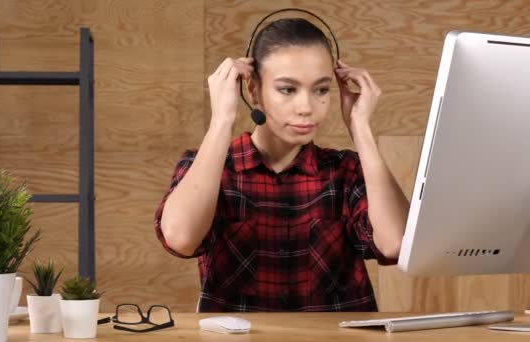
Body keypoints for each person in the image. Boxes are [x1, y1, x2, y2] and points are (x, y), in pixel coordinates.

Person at [154, 16, 409, 312]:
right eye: (288, 89)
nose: (306, 108)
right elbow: (180, 238)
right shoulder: (213, 168)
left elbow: (397, 243)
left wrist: (360, 128)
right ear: (252, 89)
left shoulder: (345, 170)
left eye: (321, 90)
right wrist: (221, 119)